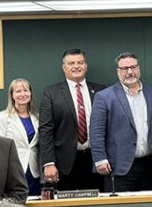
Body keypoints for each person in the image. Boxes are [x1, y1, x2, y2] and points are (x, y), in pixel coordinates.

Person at [89, 52, 152, 192]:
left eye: (133, 67)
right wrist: (100, 159)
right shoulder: (104, 97)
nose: (129, 72)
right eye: (124, 68)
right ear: (118, 71)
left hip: (149, 166)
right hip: (118, 167)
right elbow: (96, 132)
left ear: (139, 68)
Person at [38, 49, 106, 191]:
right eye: (71, 63)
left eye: (80, 62)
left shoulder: (101, 91)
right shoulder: (51, 93)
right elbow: (46, 130)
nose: (76, 66)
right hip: (65, 163)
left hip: (97, 161)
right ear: (64, 67)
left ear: (86, 66)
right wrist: (49, 163)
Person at [0, 78, 41, 196]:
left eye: (25, 90)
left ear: (30, 93)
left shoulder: (37, 117)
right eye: (18, 91)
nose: (23, 94)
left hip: (34, 170)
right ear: (12, 95)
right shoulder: (3, 117)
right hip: (13, 170)